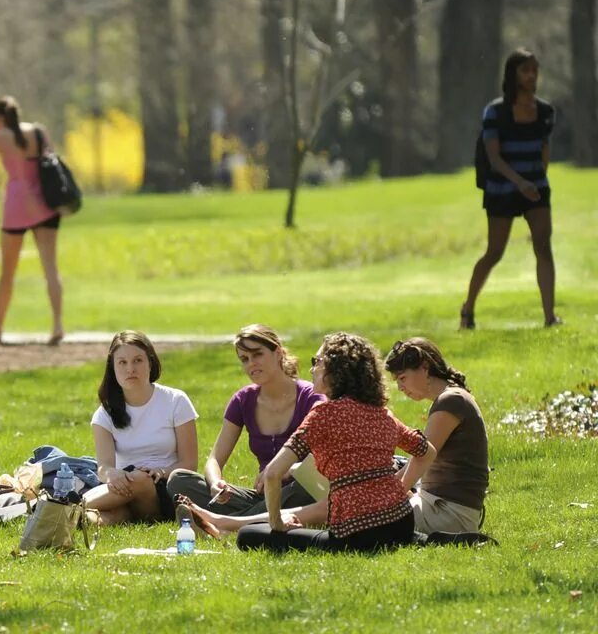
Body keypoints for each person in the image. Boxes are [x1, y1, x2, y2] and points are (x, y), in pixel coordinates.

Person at [235, 333, 436, 553]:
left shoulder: (323, 414)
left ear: (336, 369)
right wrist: (397, 489)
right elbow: (427, 453)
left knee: (249, 534)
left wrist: (277, 524)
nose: (312, 369)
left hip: (356, 534)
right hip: (401, 523)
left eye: (317, 362)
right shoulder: (381, 413)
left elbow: (273, 474)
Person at [168, 324, 324, 515]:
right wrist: (216, 483)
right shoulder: (243, 400)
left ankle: (230, 521)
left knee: (304, 489)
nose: (251, 363)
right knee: (180, 481)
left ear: (278, 353)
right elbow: (214, 459)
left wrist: (287, 469)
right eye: (244, 359)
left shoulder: (312, 398)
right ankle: (253, 518)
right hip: (263, 495)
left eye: (257, 354)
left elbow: (323, 460)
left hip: (300, 491)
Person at [461, 48, 561, 329]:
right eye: (525, 70)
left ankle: (549, 317)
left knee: (543, 246)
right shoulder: (495, 112)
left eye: (534, 70)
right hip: (502, 189)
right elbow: (494, 157)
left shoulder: (545, 112)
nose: (531, 75)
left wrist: (538, 180)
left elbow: (544, 149)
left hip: (536, 188)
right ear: (513, 74)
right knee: (495, 252)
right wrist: (520, 182)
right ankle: (468, 309)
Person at [83, 330, 198, 525]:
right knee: (98, 520)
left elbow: (189, 463)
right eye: (122, 362)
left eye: (137, 361)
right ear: (112, 368)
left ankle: (68, 509)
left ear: (150, 363)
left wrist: (161, 472)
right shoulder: (104, 413)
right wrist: (112, 474)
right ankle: (85, 516)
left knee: (141, 478)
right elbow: (103, 466)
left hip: (164, 487)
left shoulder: (176, 401)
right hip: (123, 487)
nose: (130, 369)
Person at [0, 96, 64, 345]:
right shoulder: (38, 131)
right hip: (44, 203)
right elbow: (51, 157)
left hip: (16, 205)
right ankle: (57, 324)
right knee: (51, 269)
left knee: (7, 271)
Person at [385, 338, 489, 534]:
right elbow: (417, 461)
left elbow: (422, 458)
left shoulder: (451, 400)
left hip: (450, 514)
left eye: (402, 378)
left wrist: (386, 500)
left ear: (425, 367)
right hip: (439, 506)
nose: (399, 387)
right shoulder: (449, 399)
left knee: (367, 520)